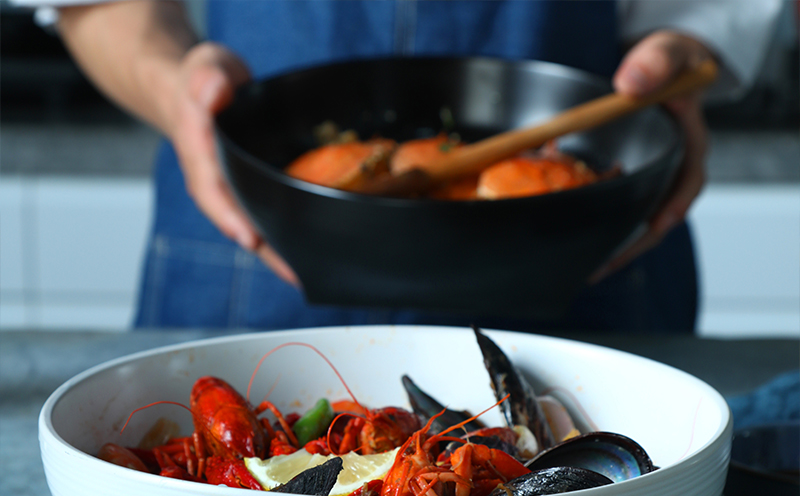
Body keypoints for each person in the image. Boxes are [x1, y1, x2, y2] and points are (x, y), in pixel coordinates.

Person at [25, 0, 783, 331]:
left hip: (585, 250)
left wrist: (686, 49)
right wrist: (174, 84)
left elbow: (707, 11)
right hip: (251, 247)